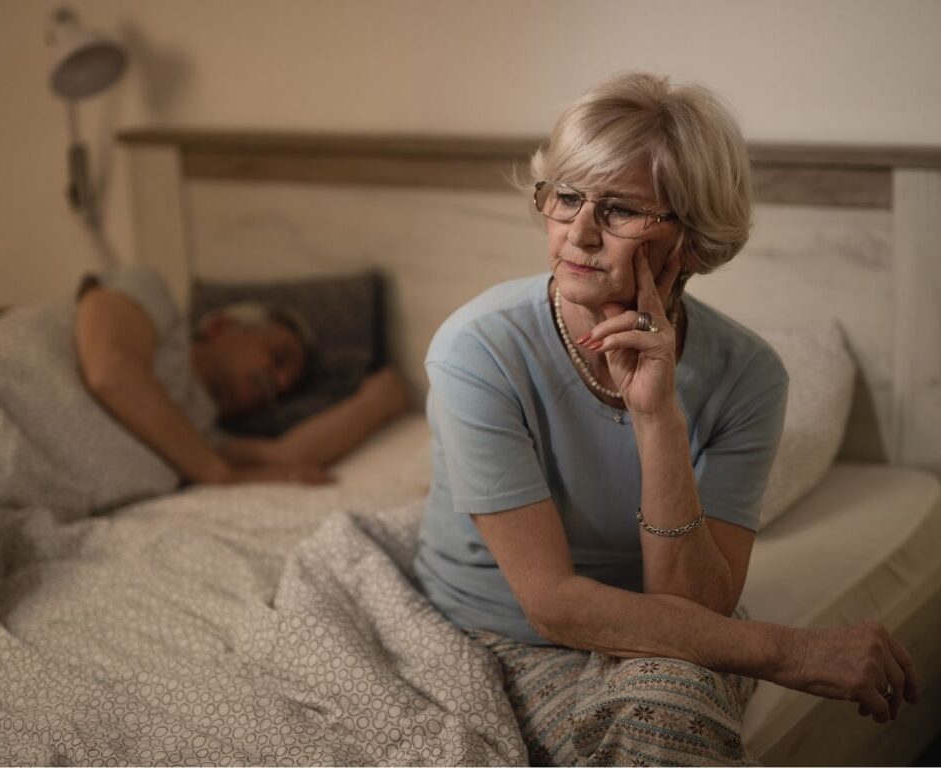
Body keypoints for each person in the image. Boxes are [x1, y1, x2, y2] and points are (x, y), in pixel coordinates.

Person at [413, 72, 917, 766]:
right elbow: (552, 605)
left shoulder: (749, 376)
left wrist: (657, 415)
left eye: (618, 209)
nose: (578, 233)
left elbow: (695, 605)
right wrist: (791, 649)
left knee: (674, 711)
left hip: (666, 626)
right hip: (490, 630)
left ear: (692, 239)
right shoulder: (478, 348)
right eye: (565, 197)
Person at [76, 266, 409, 486]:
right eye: (278, 357)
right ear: (222, 325)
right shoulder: (148, 299)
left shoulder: (201, 437)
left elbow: (287, 456)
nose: (277, 383)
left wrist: (375, 403)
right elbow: (110, 372)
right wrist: (217, 473)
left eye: (284, 390)